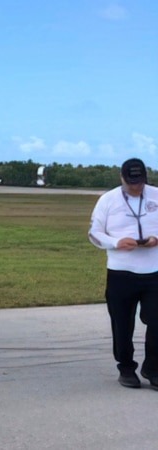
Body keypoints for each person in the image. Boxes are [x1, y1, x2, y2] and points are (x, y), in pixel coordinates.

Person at [89, 158, 158, 389]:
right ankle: (126, 368)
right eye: (130, 183)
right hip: (121, 272)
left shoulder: (156, 196)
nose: (135, 187)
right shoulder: (108, 200)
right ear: (122, 178)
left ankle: (153, 368)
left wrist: (155, 240)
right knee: (121, 324)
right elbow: (95, 233)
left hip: (154, 271)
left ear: (145, 179)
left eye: (139, 183)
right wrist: (116, 242)